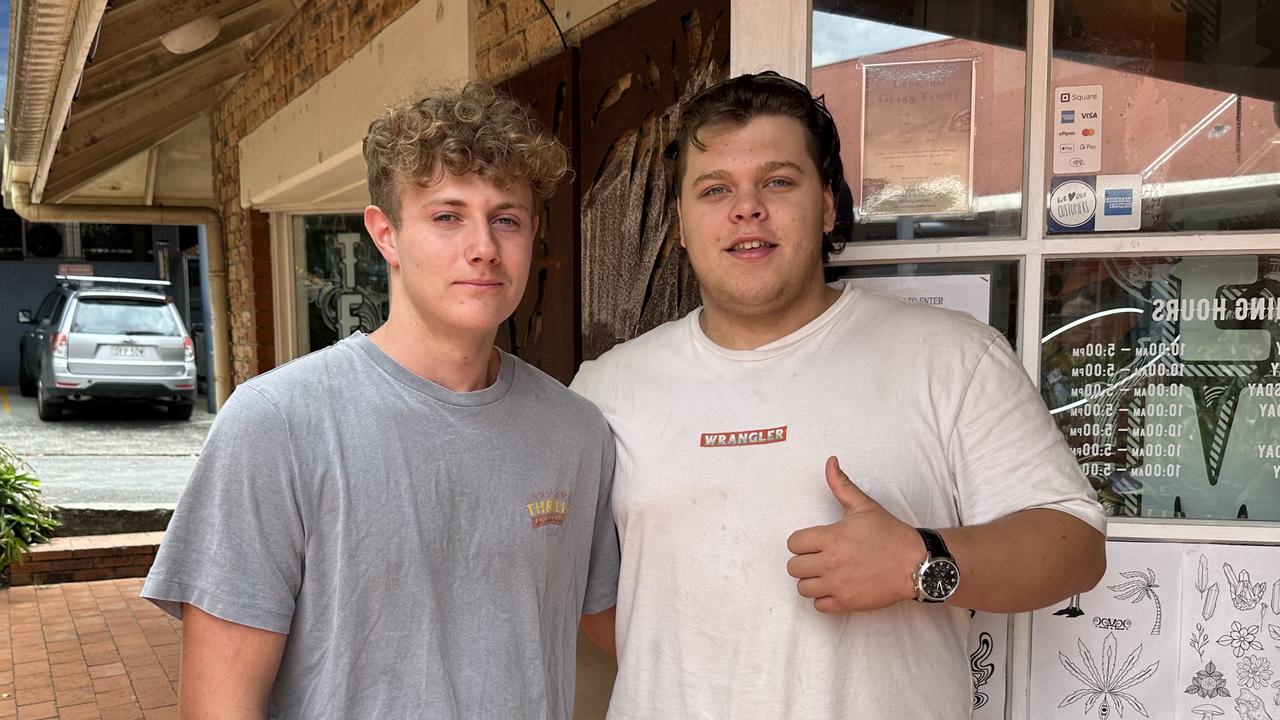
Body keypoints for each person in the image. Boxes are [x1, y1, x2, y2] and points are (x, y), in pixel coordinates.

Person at [569, 72, 1106, 718]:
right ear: (681, 223)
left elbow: (1075, 546)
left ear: (826, 205)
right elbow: (593, 597)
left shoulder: (949, 356)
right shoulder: (606, 390)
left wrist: (923, 559)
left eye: (778, 181)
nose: (747, 208)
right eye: (715, 190)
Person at [142, 82, 619, 720]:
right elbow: (219, 706)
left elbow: (624, 625)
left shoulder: (576, 430)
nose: (483, 245)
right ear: (385, 234)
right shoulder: (277, 424)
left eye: (506, 218)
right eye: (447, 216)